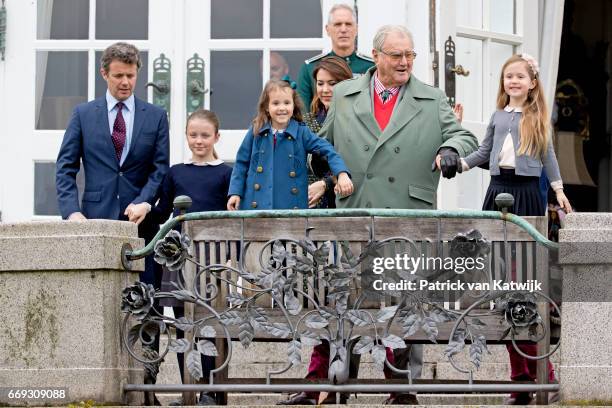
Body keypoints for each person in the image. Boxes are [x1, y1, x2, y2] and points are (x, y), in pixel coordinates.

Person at [318, 25, 478, 405]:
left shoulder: (430, 97)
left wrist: (452, 150)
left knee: (408, 301)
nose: (405, 62)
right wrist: (326, 174)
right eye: (396, 55)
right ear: (376, 57)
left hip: (409, 213)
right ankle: (342, 382)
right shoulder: (343, 95)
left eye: (410, 55)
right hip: (358, 210)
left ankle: (402, 386)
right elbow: (322, 144)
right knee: (350, 297)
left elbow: (464, 136)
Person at [459, 54, 571, 405]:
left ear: (532, 83)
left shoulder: (537, 119)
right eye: (509, 76)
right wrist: (460, 163)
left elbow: (549, 157)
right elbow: (484, 151)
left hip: (525, 196)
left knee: (523, 283)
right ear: (503, 82)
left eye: (520, 76)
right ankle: (518, 378)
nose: (514, 82)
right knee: (501, 283)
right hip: (497, 192)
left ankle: (539, 375)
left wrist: (558, 190)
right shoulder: (497, 116)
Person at [56, 42, 169, 287]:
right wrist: (71, 212)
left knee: (145, 299)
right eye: (118, 76)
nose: (125, 82)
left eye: (131, 75)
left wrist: (145, 201)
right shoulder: (83, 114)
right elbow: (66, 168)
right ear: (104, 74)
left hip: (140, 225)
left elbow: (160, 169)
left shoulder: (156, 116)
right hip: (94, 221)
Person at [150, 109, 231, 406]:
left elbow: (230, 215)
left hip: (210, 259)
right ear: (186, 136)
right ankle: (189, 394)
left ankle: (212, 391)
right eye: (193, 135)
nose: (199, 141)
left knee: (209, 324)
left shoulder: (226, 172)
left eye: (205, 135)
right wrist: (140, 211)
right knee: (184, 324)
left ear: (216, 137)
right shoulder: (176, 172)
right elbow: (161, 212)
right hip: (179, 258)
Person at [227, 78, 353, 211]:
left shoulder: (302, 132)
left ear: (294, 106)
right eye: (275, 103)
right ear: (266, 107)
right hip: (256, 205)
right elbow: (241, 163)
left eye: (287, 103)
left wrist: (342, 174)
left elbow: (328, 150)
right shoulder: (256, 130)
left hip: (291, 208)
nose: (282, 108)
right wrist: (235, 193)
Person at [297, 4, 374, 109]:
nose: (343, 29)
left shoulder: (372, 66)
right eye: (338, 24)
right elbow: (303, 112)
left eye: (348, 24)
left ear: (356, 29)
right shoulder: (310, 67)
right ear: (327, 29)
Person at [304, 56, 354, 209]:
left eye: (333, 84)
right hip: (312, 206)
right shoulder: (306, 122)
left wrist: (326, 183)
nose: (325, 90)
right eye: (320, 83)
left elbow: (359, 166)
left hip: (349, 203)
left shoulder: (358, 121)